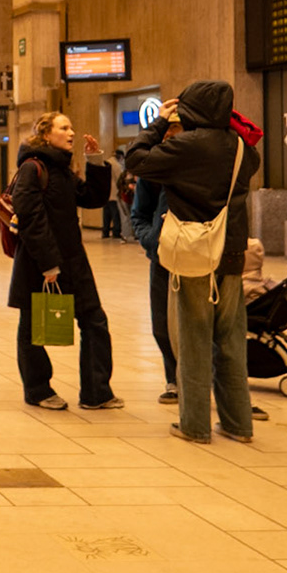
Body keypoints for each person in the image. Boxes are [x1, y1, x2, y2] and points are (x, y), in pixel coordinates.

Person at [125, 81, 260, 445]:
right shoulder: (241, 149)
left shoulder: (186, 145)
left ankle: (196, 425)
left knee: (194, 340)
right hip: (231, 255)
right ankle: (238, 424)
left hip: (194, 253)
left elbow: (135, 160)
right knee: (231, 342)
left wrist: (158, 123)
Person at [6, 111, 121, 413]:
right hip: (40, 264)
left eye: (71, 126)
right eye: (64, 127)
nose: (71, 132)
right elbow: (31, 218)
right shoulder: (34, 168)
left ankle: (96, 392)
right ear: (46, 135)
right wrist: (48, 264)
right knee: (33, 327)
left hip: (73, 261)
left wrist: (95, 160)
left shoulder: (61, 169)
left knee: (95, 321)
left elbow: (93, 198)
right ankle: (38, 389)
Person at [129, 143, 179, 406]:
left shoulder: (199, 163)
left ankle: (201, 377)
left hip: (198, 251)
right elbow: (139, 213)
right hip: (161, 256)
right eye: (166, 129)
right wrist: (151, 240)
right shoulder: (152, 172)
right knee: (162, 322)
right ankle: (173, 378)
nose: (171, 134)